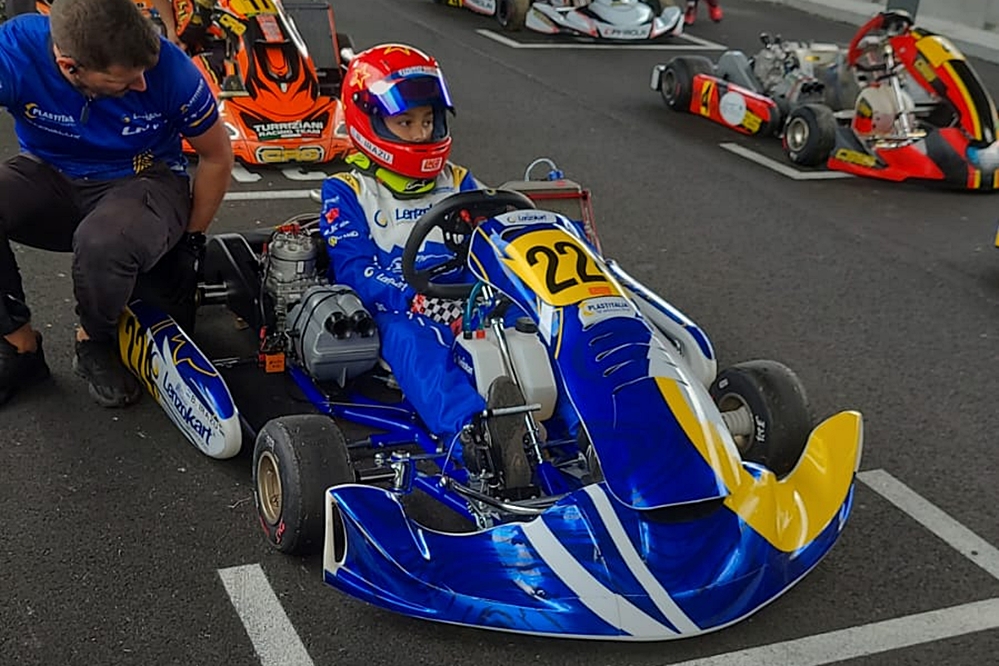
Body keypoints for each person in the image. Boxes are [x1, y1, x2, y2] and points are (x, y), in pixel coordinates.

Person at [317, 43, 536, 484]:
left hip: (471, 296)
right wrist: (410, 294)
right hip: (400, 306)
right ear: (368, 122)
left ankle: (587, 424)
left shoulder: (457, 180)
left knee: (534, 326)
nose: (420, 134)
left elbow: (497, 239)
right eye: (406, 122)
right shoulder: (348, 191)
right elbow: (353, 269)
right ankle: (478, 437)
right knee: (413, 344)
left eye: (427, 120)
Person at [0, 0, 234, 408]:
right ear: (70, 66)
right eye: (125, 81)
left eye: (144, 73)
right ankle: (19, 346)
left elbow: (216, 156)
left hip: (144, 177)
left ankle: (94, 339)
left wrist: (192, 241)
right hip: (51, 173)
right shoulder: (16, 50)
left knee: (105, 241)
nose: (141, 85)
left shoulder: (171, 70)